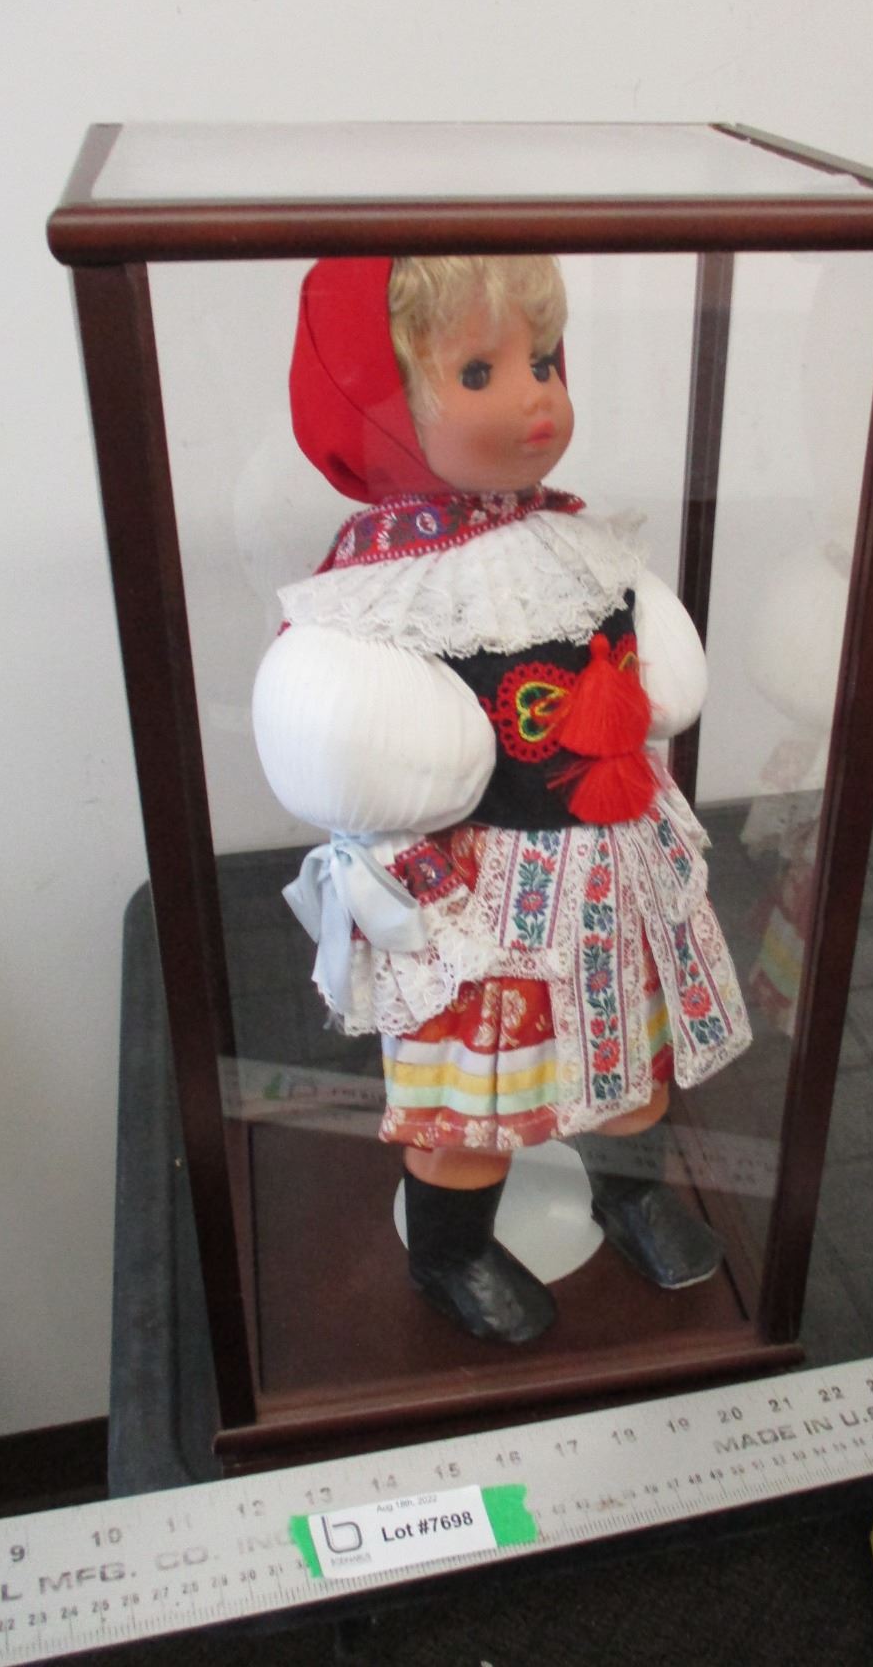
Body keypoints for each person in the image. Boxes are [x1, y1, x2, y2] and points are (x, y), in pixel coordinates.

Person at [252, 255, 751, 1345]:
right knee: (471, 1100)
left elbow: (653, 671)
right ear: (377, 404)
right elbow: (347, 740)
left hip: (613, 863)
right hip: (485, 897)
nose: (537, 397)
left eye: (545, 359)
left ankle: (629, 1192)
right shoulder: (380, 588)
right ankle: (451, 1252)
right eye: (480, 372)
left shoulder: (578, 542)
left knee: (631, 1059)